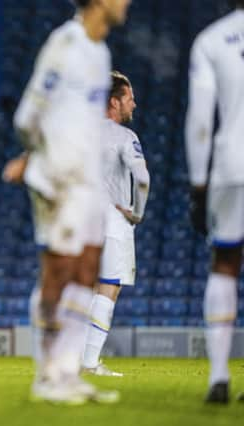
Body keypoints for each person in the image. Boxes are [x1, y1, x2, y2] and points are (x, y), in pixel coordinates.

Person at [2, 0, 131, 404]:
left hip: (89, 181)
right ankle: (47, 375)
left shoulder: (100, 51)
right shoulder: (66, 42)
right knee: (58, 273)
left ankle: (68, 371)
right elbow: (28, 115)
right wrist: (37, 156)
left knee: (85, 272)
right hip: (60, 177)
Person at [185, 0, 244, 404]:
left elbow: (201, 120)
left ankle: (219, 377)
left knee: (224, 265)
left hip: (232, 164)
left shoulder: (211, 39)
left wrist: (198, 183)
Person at [81, 71, 150, 376]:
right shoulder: (125, 137)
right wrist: (136, 211)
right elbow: (144, 179)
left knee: (88, 288)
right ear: (114, 101)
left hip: (82, 219)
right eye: (129, 98)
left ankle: (72, 358)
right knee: (109, 288)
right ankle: (89, 362)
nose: (133, 104)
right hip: (113, 220)